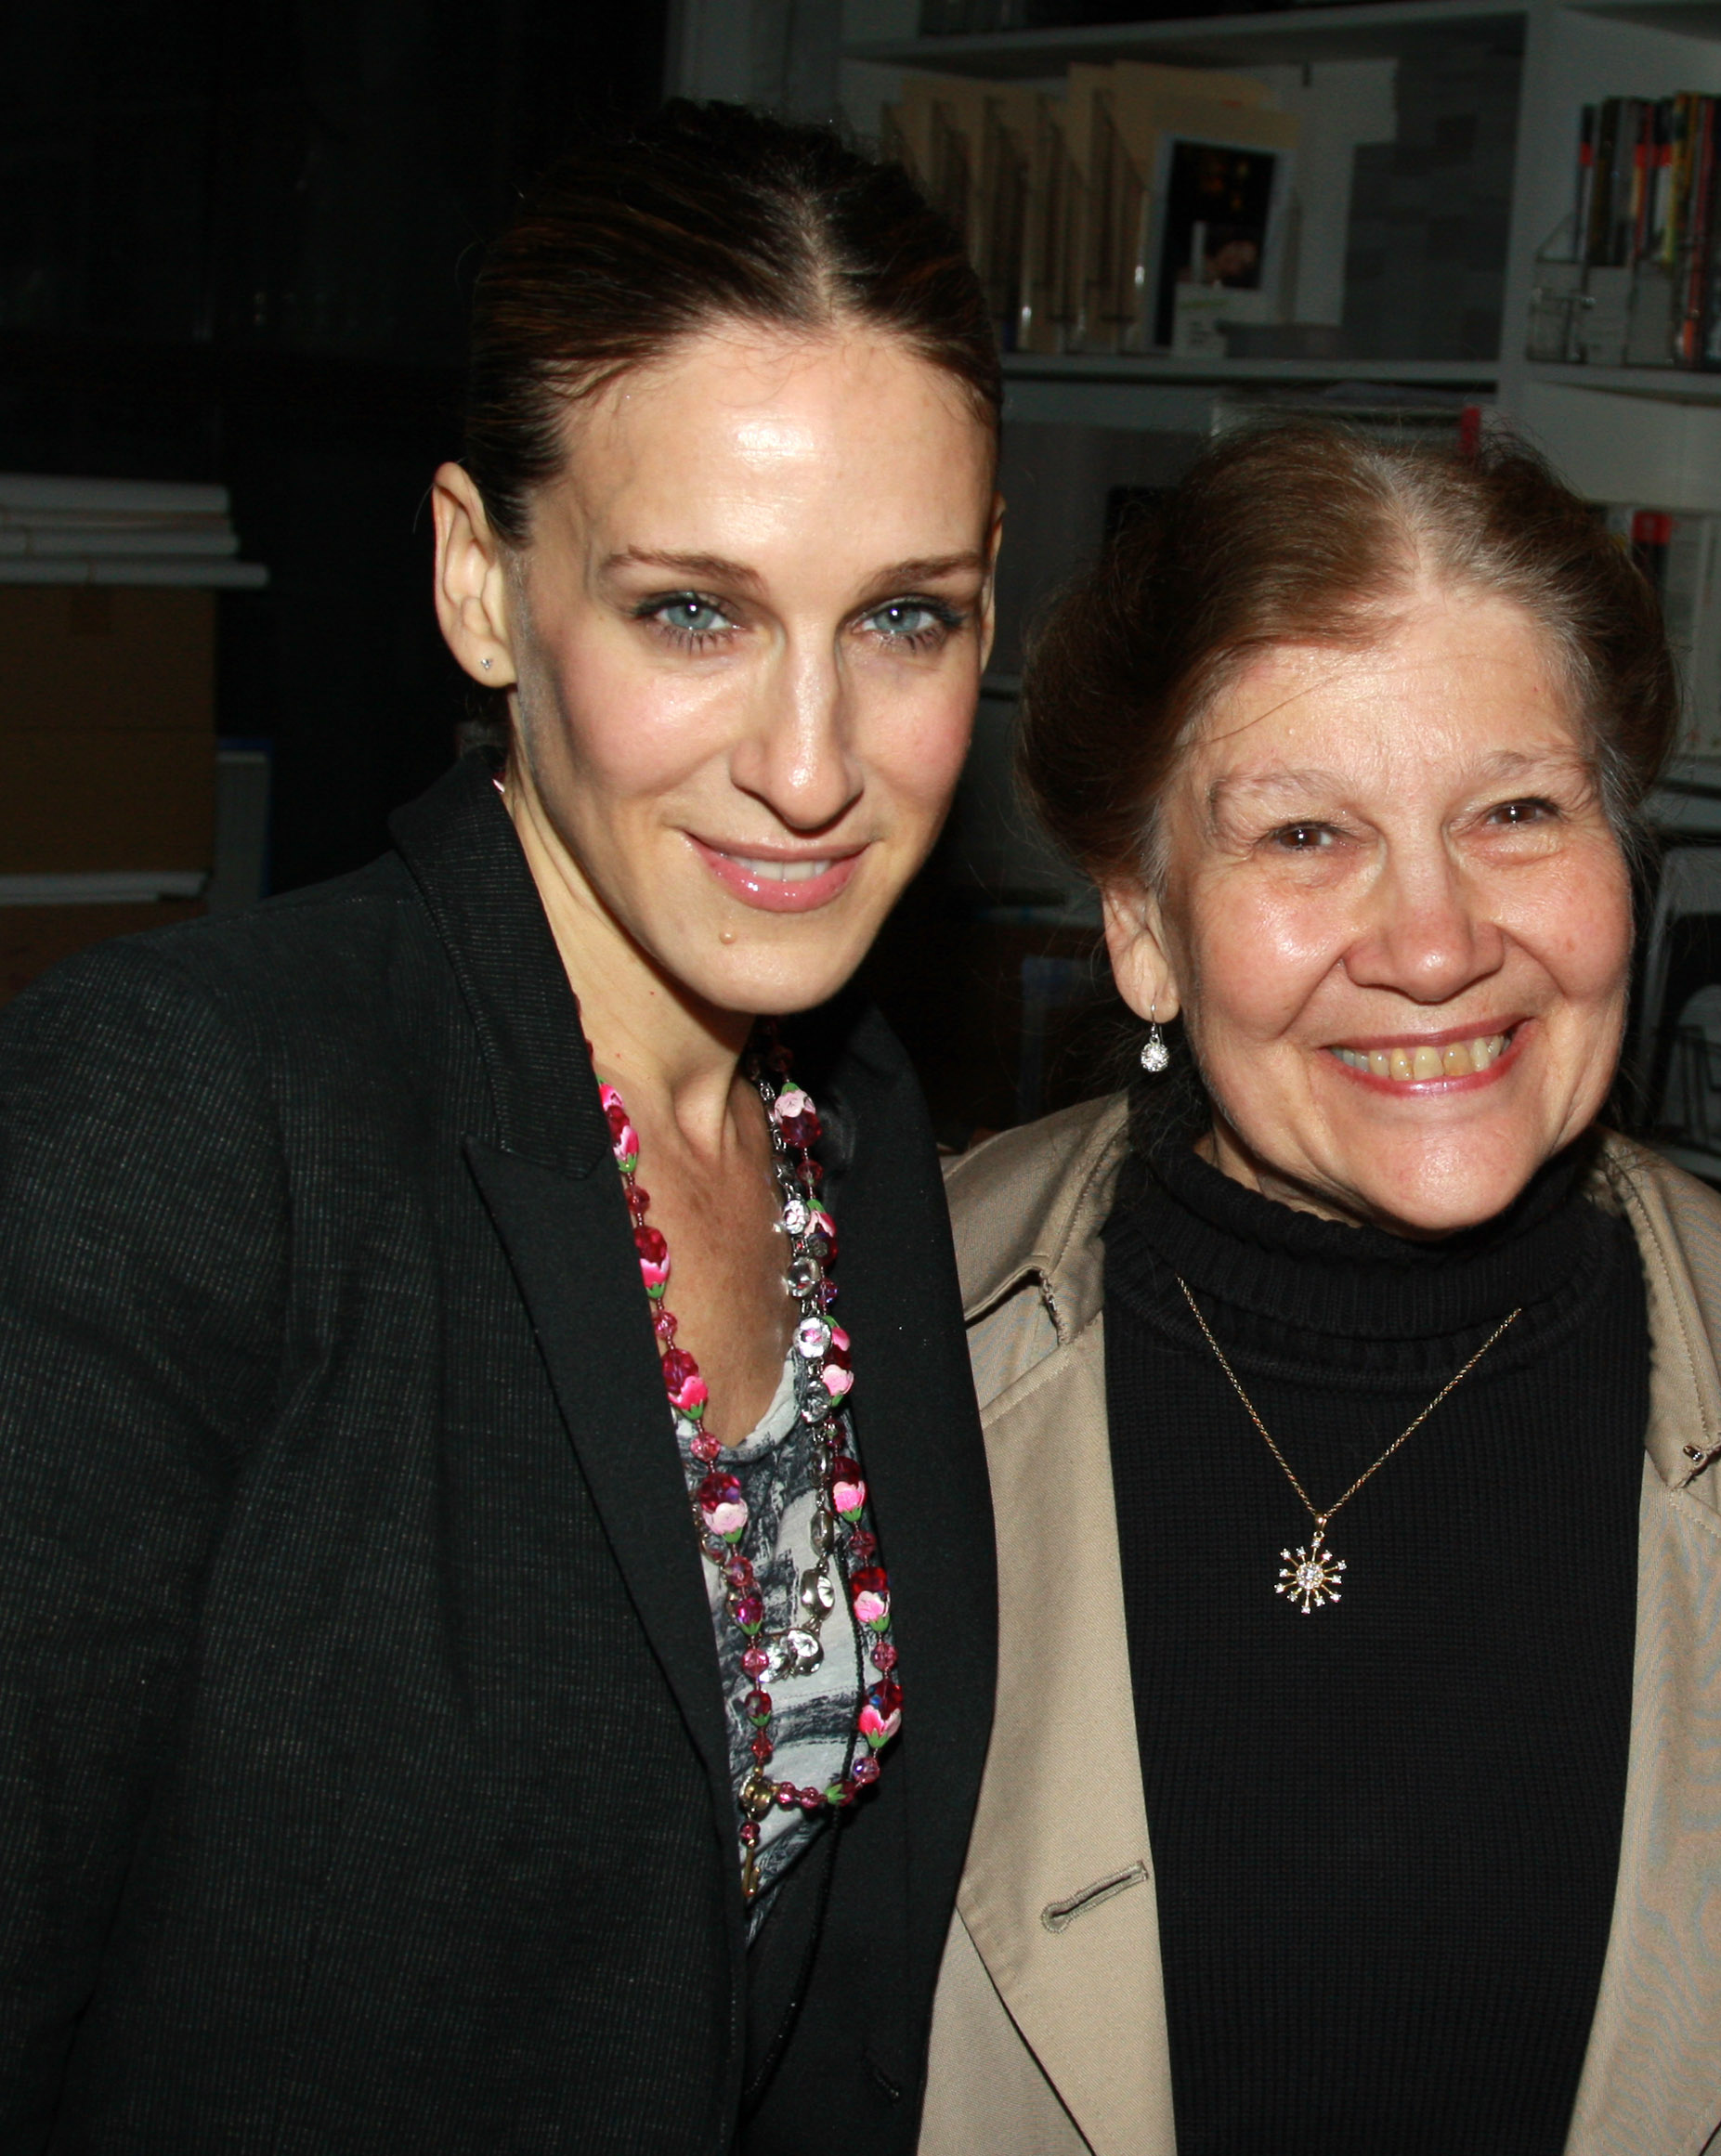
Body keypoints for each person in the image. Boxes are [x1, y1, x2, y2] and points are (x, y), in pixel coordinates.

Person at [0, 104, 1001, 2150]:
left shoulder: (863, 1138)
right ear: (480, 580)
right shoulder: (190, 1117)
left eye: (907, 617)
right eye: (692, 613)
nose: (813, 768)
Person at [918, 421, 1721, 2156]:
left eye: (1517, 809)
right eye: (1305, 834)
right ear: (1141, 919)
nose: (1435, 943)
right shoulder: (867, 1374)